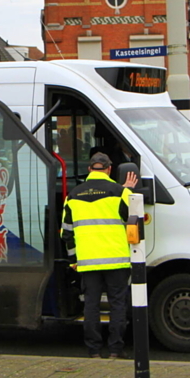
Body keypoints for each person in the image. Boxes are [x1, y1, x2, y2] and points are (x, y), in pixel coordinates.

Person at [60, 152, 138, 358]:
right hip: (117, 260)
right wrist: (129, 190)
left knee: (91, 306)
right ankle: (115, 350)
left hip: (88, 262)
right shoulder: (119, 192)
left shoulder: (73, 196)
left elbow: (66, 233)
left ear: (89, 170)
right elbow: (133, 223)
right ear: (109, 169)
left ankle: (94, 350)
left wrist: (73, 260)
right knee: (117, 305)